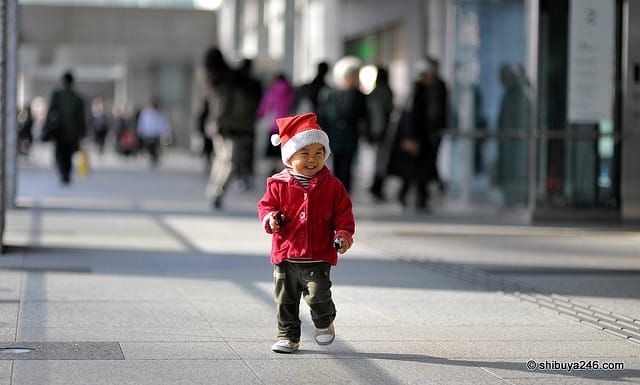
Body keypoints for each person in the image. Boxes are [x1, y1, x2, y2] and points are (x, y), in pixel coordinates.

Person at [257, 112, 355, 354]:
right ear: (290, 157)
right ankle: (288, 336)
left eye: (318, 154)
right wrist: (271, 219)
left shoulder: (333, 186)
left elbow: (344, 213)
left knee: (318, 296)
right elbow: (266, 206)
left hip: (318, 253)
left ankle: (324, 320)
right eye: (305, 154)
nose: (312, 160)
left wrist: (343, 234)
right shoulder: (277, 183)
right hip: (286, 255)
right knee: (285, 301)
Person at [396, 57, 449, 211]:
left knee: (424, 167)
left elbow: (442, 110)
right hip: (417, 136)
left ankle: (421, 196)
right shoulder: (417, 90)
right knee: (415, 168)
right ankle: (408, 194)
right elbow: (410, 116)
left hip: (429, 135)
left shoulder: (438, 86)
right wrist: (410, 137)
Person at [317, 56, 369, 193]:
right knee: (337, 162)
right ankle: (337, 188)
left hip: (351, 135)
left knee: (349, 164)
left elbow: (364, 115)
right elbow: (325, 115)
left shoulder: (359, 95)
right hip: (335, 135)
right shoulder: (331, 94)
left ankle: (346, 190)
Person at [44, 71, 87, 185]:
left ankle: (63, 173)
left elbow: (50, 113)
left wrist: (46, 127)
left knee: (60, 153)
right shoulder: (77, 98)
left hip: (59, 131)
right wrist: (82, 132)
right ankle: (66, 174)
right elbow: (81, 118)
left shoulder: (57, 95)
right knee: (68, 154)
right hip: (72, 132)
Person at [256, 73, 295, 175]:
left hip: (275, 125)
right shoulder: (290, 91)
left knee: (273, 148)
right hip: (287, 125)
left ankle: (273, 169)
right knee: (284, 148)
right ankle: (283, 170)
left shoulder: (272, 91)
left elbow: (264, 107)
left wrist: (260, 114)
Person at [366, 66, 394, 201]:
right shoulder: (387, 91)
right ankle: (377, 185)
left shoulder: (374, 92)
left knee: (378, 159)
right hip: (383, 130)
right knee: (381, 160)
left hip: (375, 129)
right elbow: (389, 110)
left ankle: (376, 185)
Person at [137, 98, 171, 168]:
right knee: (150, 146)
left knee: (155, 147)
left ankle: (155, 158)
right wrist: (141, 131)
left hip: (157, 134)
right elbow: (142, 123)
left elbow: (164, 123)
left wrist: (165, 131)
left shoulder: (161, 113)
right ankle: (152, 157)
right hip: (148, 133)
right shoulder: (146, 113)